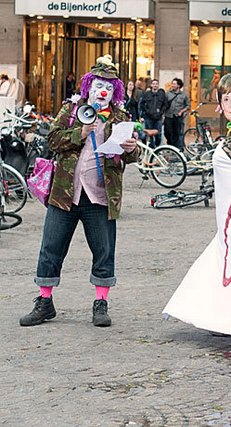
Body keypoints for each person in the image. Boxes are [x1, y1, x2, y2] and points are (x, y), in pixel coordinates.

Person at [19, 55, 140, 327]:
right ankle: (44, 301)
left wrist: (132, 150)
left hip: (99, 195)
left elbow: (133, 155)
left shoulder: (120, 116)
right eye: (99, 84)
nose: (103, 90)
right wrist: (79, 133)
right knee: (51, 247)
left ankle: (101, 302)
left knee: (103, 249)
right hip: (64, 194)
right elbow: (51, 139)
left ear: (116, 89)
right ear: (89, 86)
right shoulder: (72, 109)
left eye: (109, 85)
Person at [138, 78, 167, 148]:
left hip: (158, 118)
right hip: (148, 118)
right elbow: (141, 104)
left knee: (158, 134)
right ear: (151, 85)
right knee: (149, 134)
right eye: (153, 84)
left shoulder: (162, 95)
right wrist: (146, 111)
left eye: (156, 84)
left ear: (158, 85)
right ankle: (152, 148)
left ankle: (157, 147)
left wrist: (161, 112)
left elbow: (165, 104)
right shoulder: (147, 94)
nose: (155, 85)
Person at [164, 78, 190, 151]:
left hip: (178, 117)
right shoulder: (168, 94)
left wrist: (181, 111)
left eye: (174, 84)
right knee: (167, 132)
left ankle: (174, 148)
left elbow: (188, 106)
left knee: (176, 133)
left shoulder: (184, 95)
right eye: (172, 83)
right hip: (168, 116)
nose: (172, 85)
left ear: (178, 85)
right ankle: (170, 143)